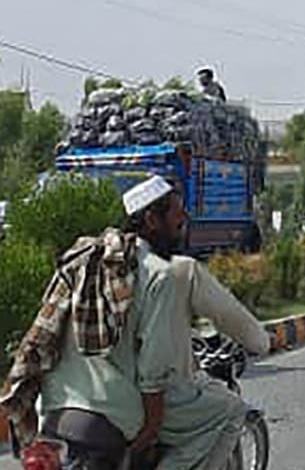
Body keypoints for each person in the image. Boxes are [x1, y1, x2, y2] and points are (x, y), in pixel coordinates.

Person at [3, 177, 267, 470]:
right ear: (152, 219)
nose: (184, 219)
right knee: (229, 410)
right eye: (177, 213)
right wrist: (151, 428)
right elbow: (153, 371)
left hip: (54, 407)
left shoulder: (83, 259)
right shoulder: (159, 274)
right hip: (116, 409)